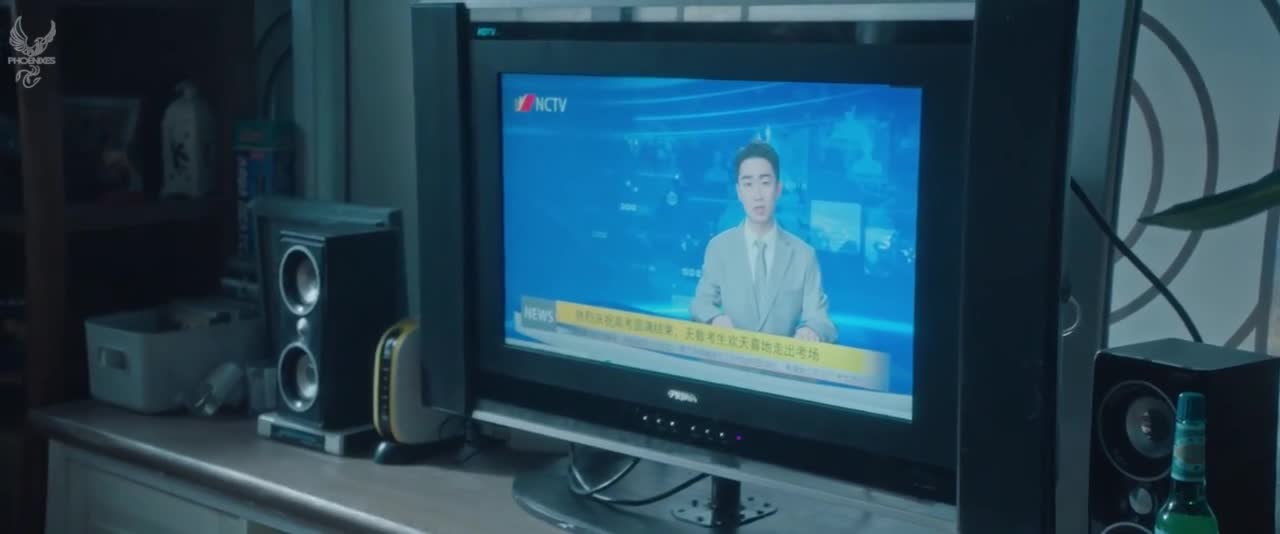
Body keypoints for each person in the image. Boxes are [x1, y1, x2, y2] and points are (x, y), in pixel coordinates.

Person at [689, 141, 837, 343]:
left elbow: (821, 319)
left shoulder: (803, 255)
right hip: (729, 359)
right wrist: (715, 318)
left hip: (781, 361)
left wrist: (811, 330)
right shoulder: (719, 248)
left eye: (765, 183)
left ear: (778, 189)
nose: (757, 195)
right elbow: (700, 303)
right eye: (748, 184)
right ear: (739, 192)